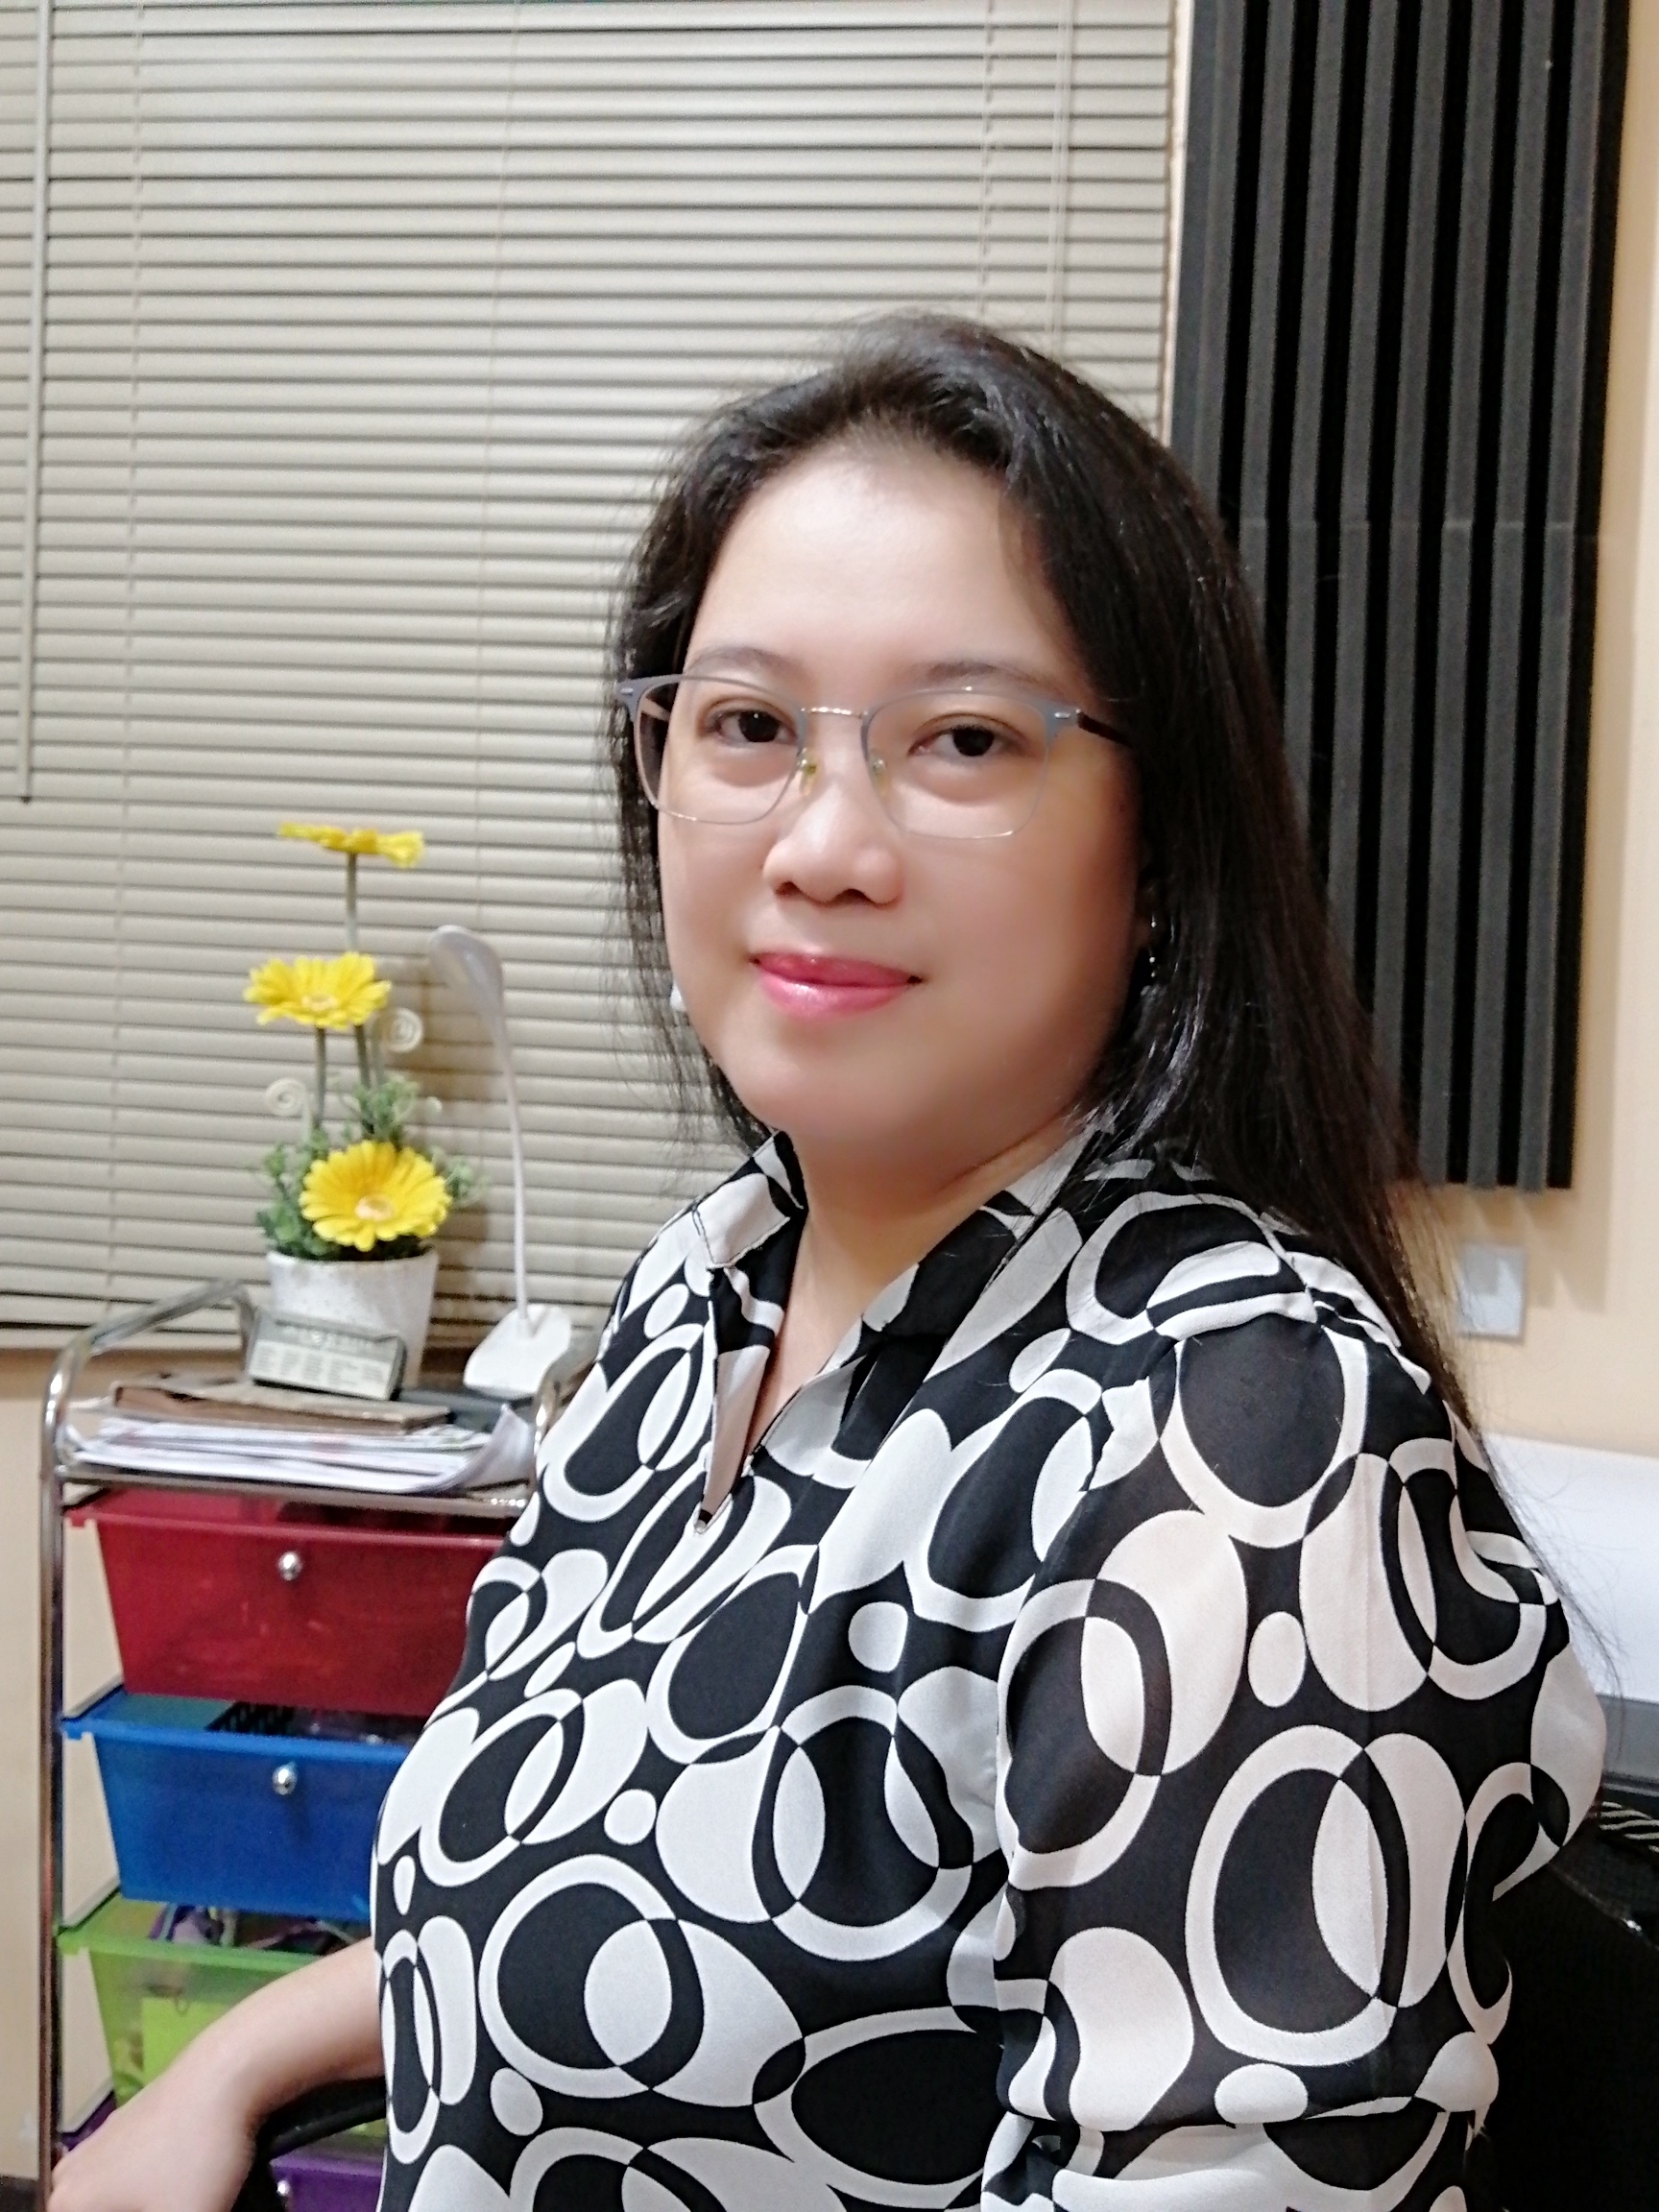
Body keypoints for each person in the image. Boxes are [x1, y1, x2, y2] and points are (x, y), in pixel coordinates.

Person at [52, 316, 1604, 2212]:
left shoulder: (1234, 1434)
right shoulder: (709, 1289)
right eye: (748, 727)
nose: (823, 844)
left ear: (1158, 849)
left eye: (963, 739)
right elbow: (586, 1876)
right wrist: (228, 2063)